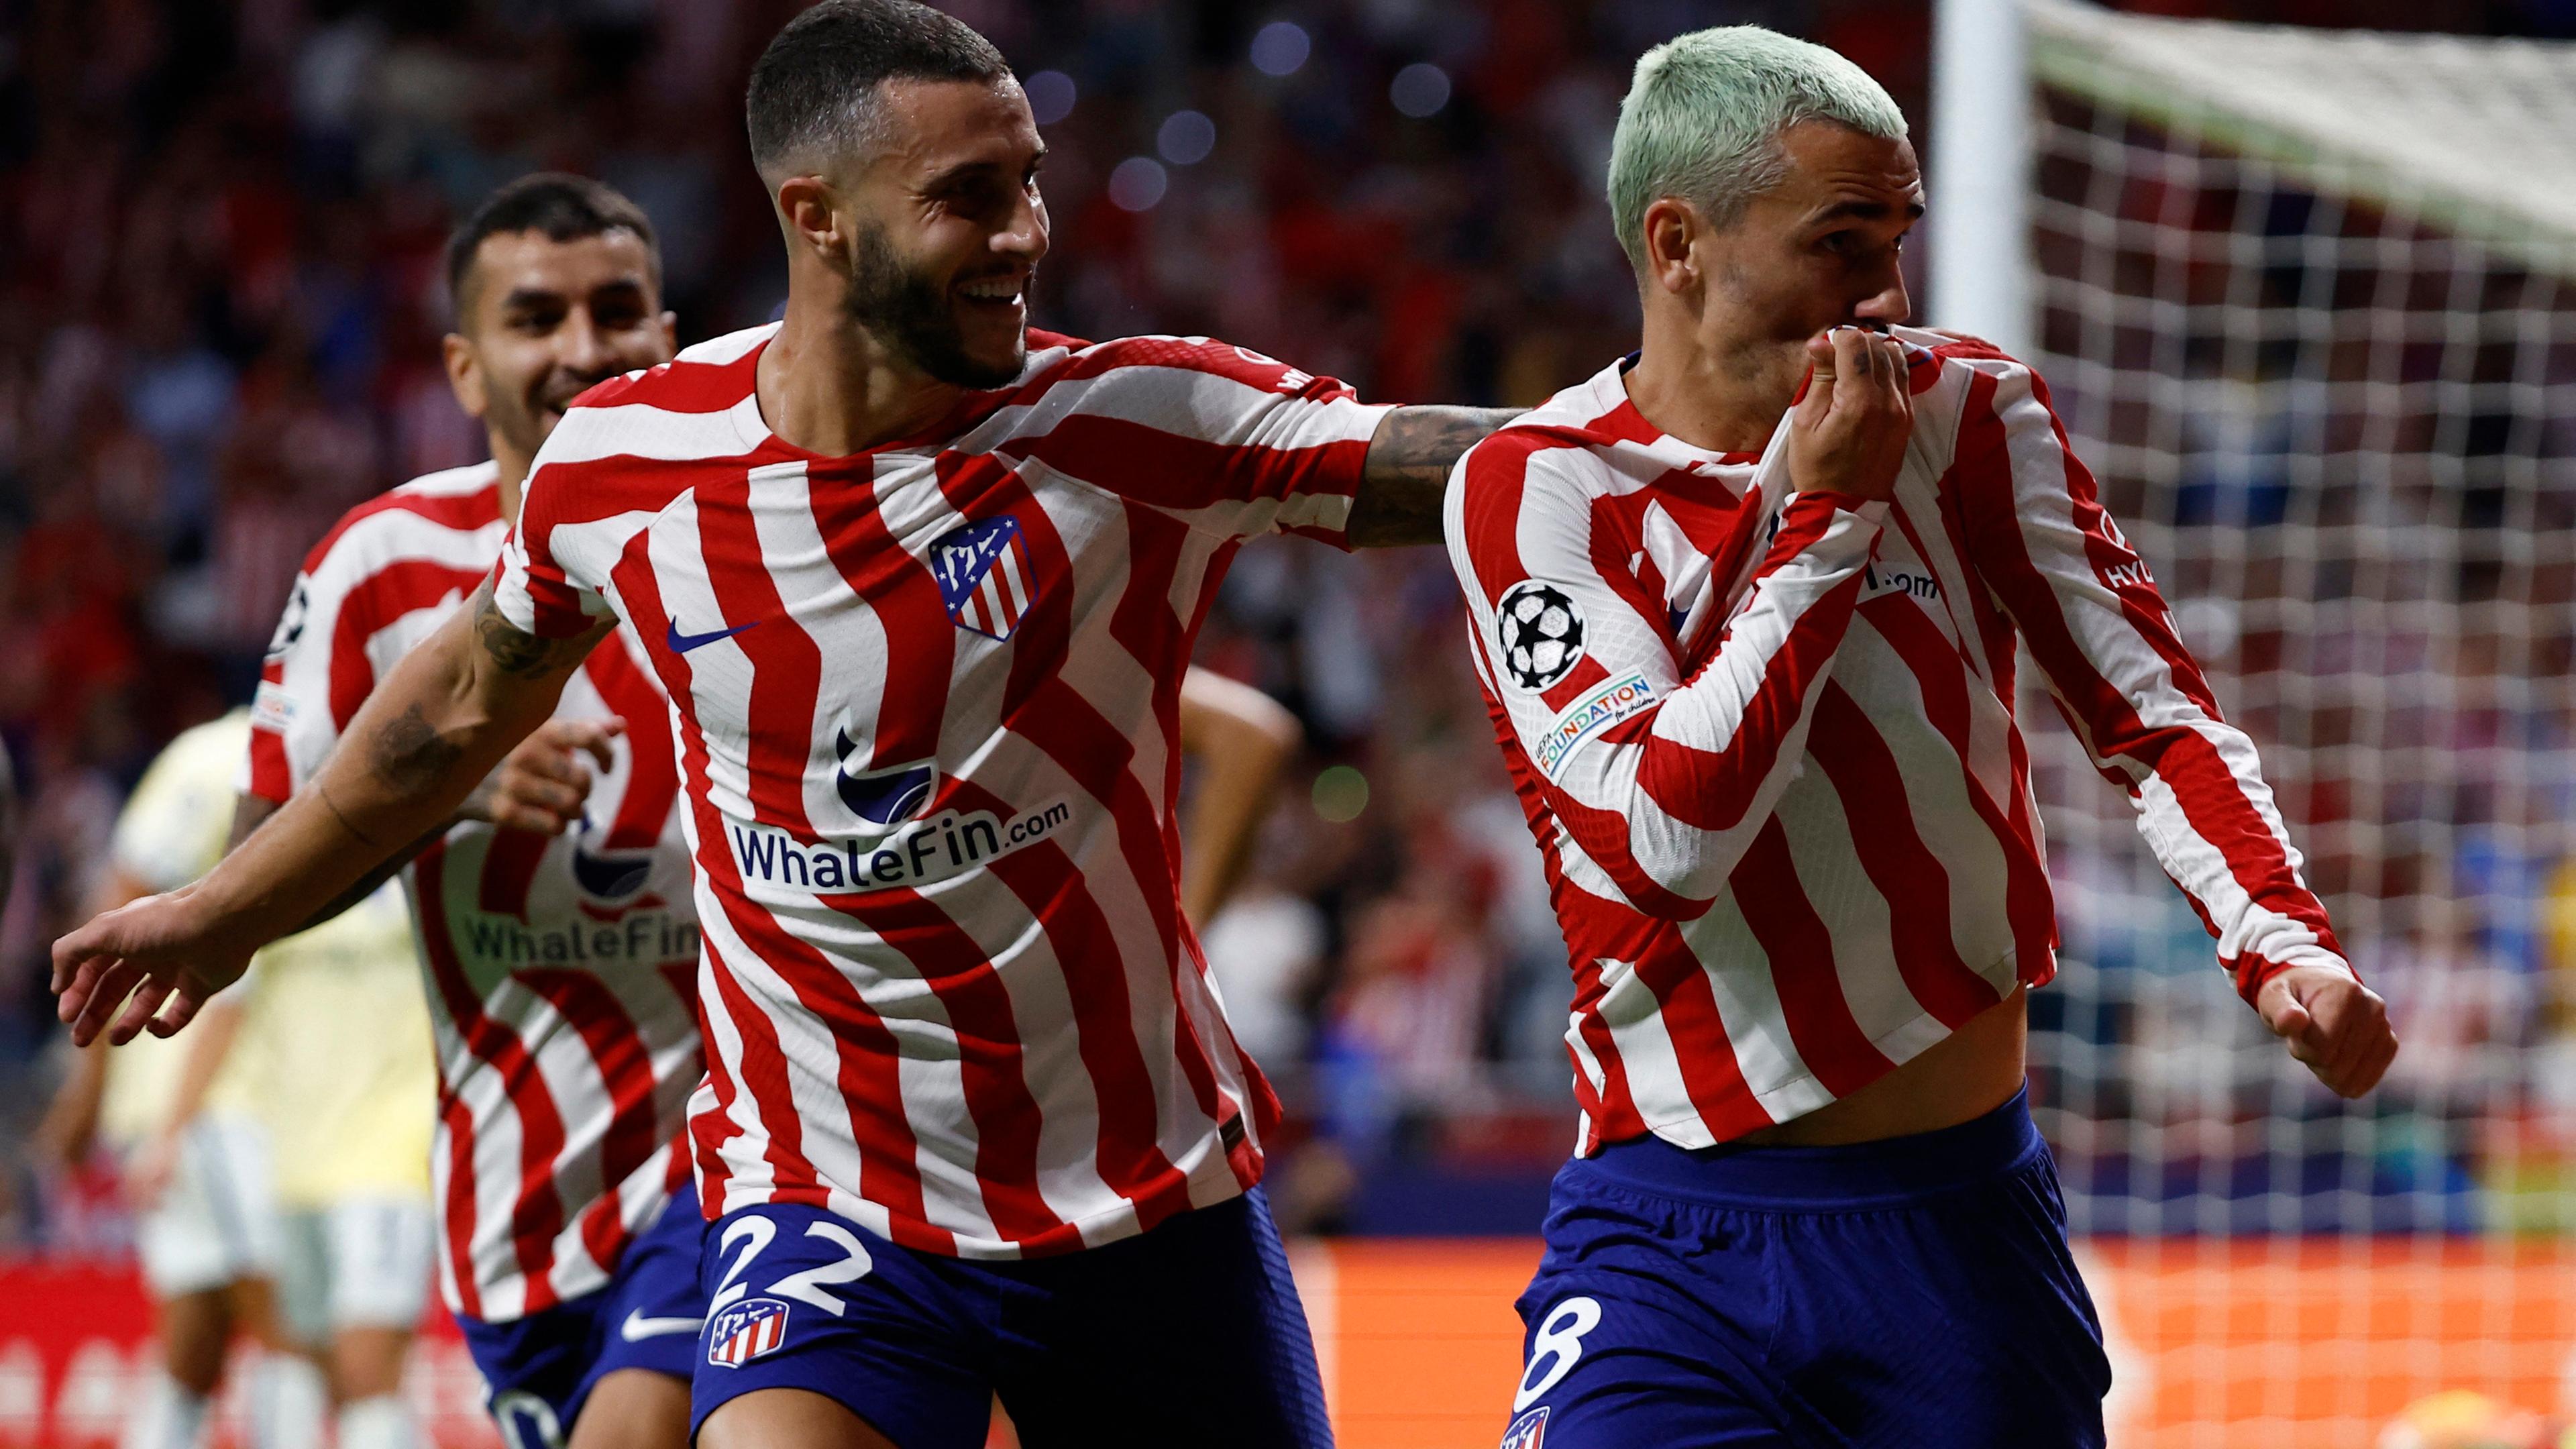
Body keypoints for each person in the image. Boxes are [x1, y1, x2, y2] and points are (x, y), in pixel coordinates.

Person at [52, 4, 1514, 1446]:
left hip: (1138, 1200)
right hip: (827, 1204)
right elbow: (455, 707)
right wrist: (219, 915)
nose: (1024, 232)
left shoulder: (1129, 421)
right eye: (968, 195)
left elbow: (1465, 470)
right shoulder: (625, 465)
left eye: (1028, 183)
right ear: (818, 217)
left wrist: (1646, 423)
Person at [1441, 27, 2398, 1449]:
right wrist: (1828, 520)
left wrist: (2282, 939)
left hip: (1957, 1226)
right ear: (1678, 243)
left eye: (1899, 238)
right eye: (1841, 244)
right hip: (1673, 1232)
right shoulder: (1538, 493)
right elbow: (1662, 848)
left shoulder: (1967, 410)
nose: (1889, 294)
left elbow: (2152, 710)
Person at [230, 173, 706, 1449]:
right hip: (519, 1206)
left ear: (668, 336)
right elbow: (253, 875)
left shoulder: (756, 538)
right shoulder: (377, 570)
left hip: (740, 1153)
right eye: (536, 318)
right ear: (462, 366)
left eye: (618, 311)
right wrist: (445, 790)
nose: (584, 350)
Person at [37, 711, 340, 1449]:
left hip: (236, 1095)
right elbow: (121, 906)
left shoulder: (330, 746)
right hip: (215, 1097)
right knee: (284, 1314)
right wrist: (94, 1090)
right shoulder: (220, 759)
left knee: (197, 1332)